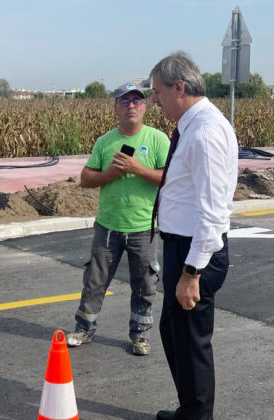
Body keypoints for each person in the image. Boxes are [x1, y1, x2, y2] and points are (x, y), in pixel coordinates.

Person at [150, 52, 238, 420]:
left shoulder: (205, 133)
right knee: (175, 332)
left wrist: (191, 273)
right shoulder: (193, 127)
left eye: (157, 92)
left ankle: (197, 417)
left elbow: (213, 212)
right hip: (182, 248)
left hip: (194, 254)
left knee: (191, 341)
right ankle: (191, 410)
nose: (154, 100)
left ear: (179, 88)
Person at [66, 82, 170, 355]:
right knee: (95, 281)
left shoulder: (158, 140)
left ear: (145, 107)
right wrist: (108, 175)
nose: (131, 106)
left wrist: (137, 168)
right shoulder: (105, 141)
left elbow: (169, 178)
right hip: (108, 226)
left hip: (144, 227)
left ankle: (140, 336)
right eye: (125, 101)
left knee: (145, 284)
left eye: (137, 101)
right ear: (115, 108)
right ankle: (84, 329)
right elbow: (86, 179)